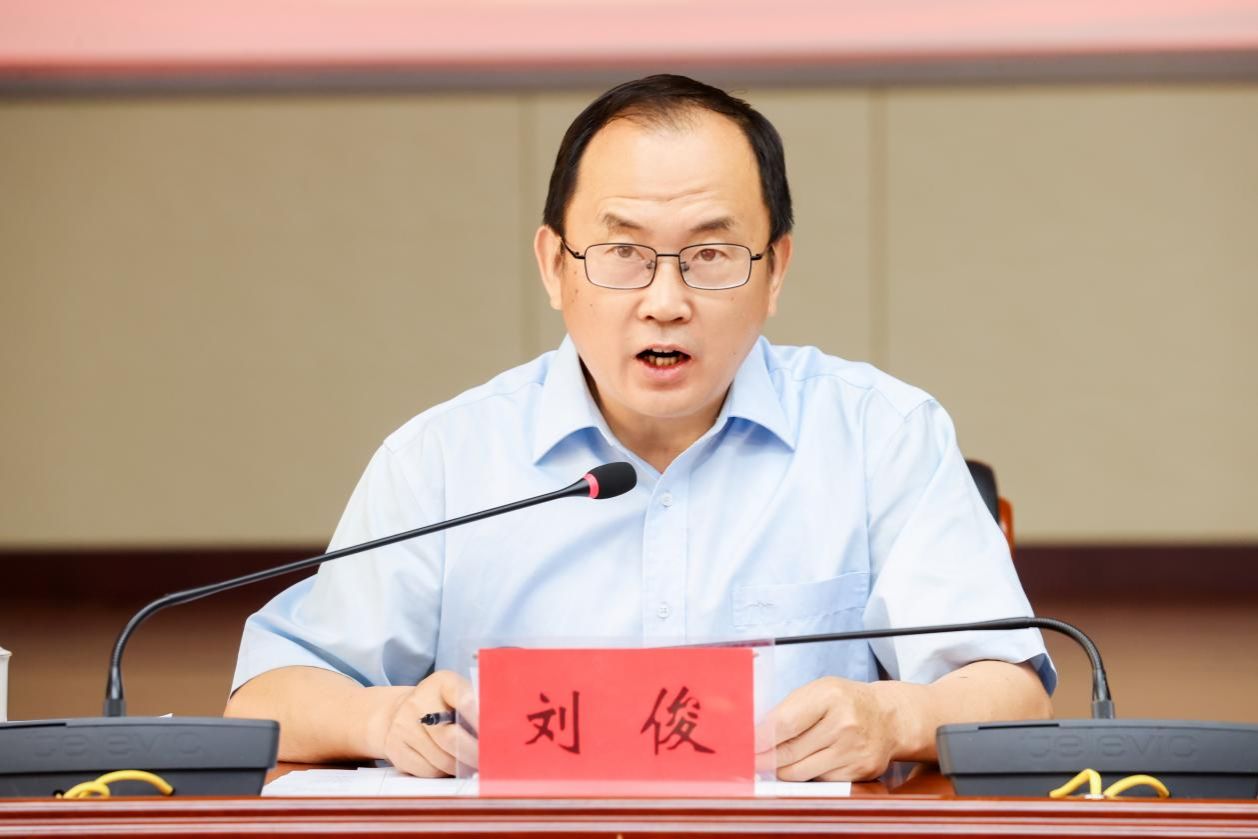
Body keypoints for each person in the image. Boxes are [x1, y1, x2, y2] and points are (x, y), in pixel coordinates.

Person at [225, 74, 1054, 782]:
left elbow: (1013, 692)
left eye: (710, 255)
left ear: (775, 270)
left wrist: (891, 716)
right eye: (622, 253)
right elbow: (267, 697)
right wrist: (386, 717)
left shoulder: (881, 435)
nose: (665, 301)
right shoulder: (442, 459)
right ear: (555, 265)